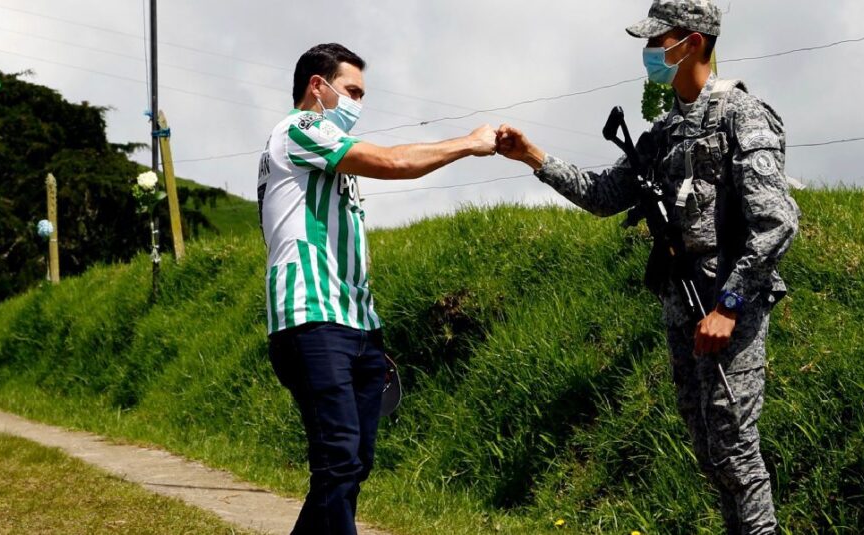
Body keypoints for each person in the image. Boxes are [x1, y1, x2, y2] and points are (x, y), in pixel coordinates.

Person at [494, 2, 798, 533]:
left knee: (734, 451)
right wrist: (533, 157)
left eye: (663, 40)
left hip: (729, 306)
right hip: (682, 308)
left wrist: (729, 304)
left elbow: (776, 221)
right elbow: (602, 194)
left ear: (695, 42)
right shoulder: (661, 134)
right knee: (709, 451)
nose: (652, 51)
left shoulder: (743, 115)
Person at [259, 43, 497, 534]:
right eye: (351, 91)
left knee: (351, 464)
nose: (357, 105)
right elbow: (392, 162)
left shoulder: (323, 153)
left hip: (358, 324)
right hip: (312, 317)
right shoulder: (300, 129)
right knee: (339, 460)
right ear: (316, 87)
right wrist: (468, 143)